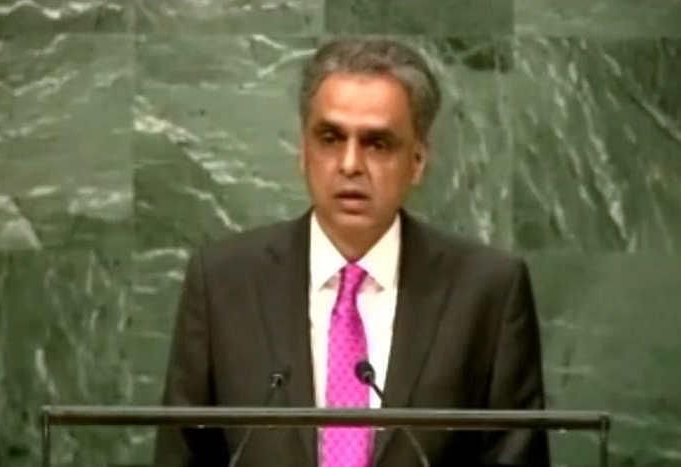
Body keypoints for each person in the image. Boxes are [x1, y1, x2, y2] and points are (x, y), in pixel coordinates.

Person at [154, 37, 550, 467]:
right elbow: (182, 454)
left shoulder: (488, 292)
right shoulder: (224, 282)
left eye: (377, 144)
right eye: (330, 138)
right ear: (303, 152)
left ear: (418, 160)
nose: (349, 164)